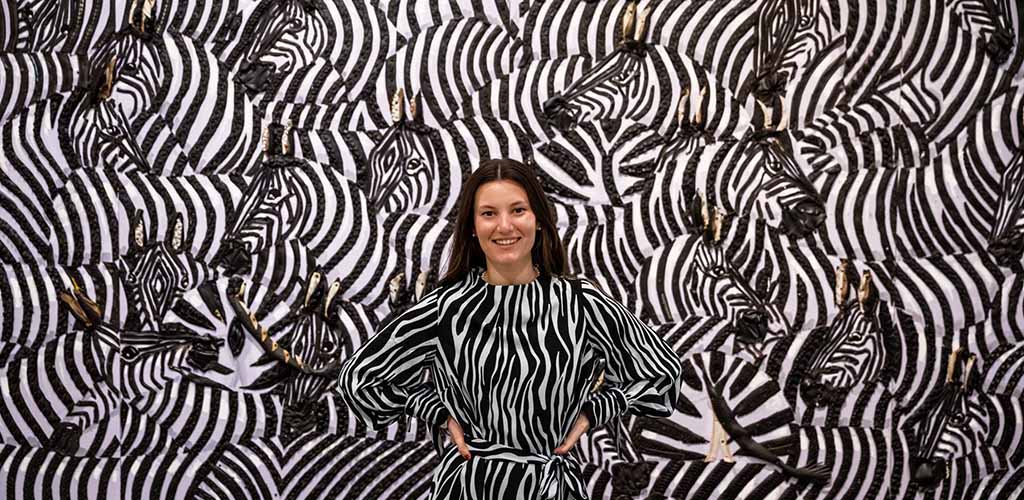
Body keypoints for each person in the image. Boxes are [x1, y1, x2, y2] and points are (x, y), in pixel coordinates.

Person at [337, 159, 683, 499]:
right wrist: (436, 411)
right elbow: (361, 379)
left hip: (552, 488)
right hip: (467, 489)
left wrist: (595, 411)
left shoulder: (581, 304)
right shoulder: (446, 308)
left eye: (518, 210)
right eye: (489, 213)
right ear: (472, 226)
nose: (505, 226)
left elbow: (663, 375)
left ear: (539, 220)